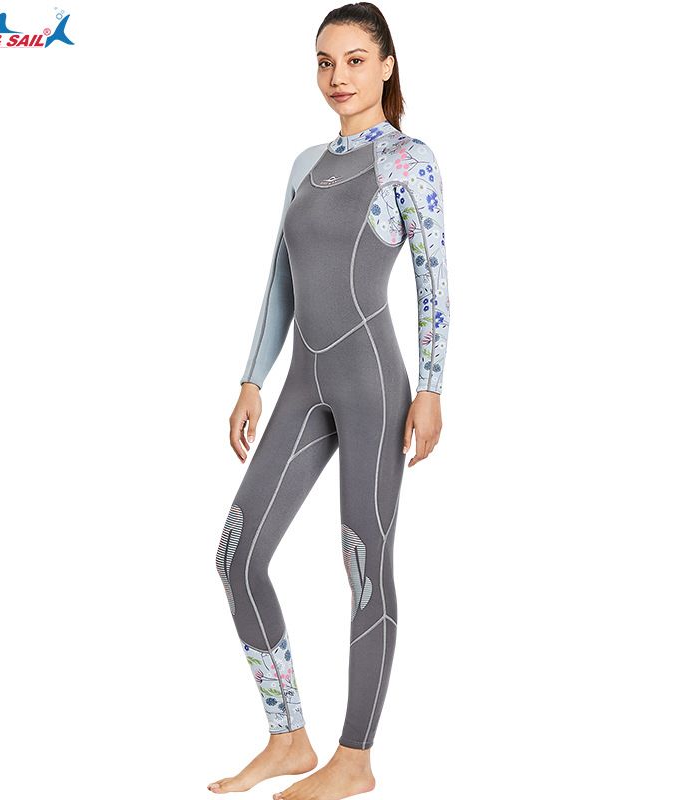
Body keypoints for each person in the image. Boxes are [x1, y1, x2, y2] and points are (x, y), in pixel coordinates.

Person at [210, 4, 450, 798]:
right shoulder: (306, 165)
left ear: (386, 65)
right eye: (324, 61)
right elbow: (279, 281)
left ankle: (355, 758)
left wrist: (432, 389)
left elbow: (433, 281)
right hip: (302, 386)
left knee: (364, 564)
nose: (337, 77)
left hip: (373, 383)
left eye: (353, 60)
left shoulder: (409, 160)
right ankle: (289, 738)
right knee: (237, 555)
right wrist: (252, 378)